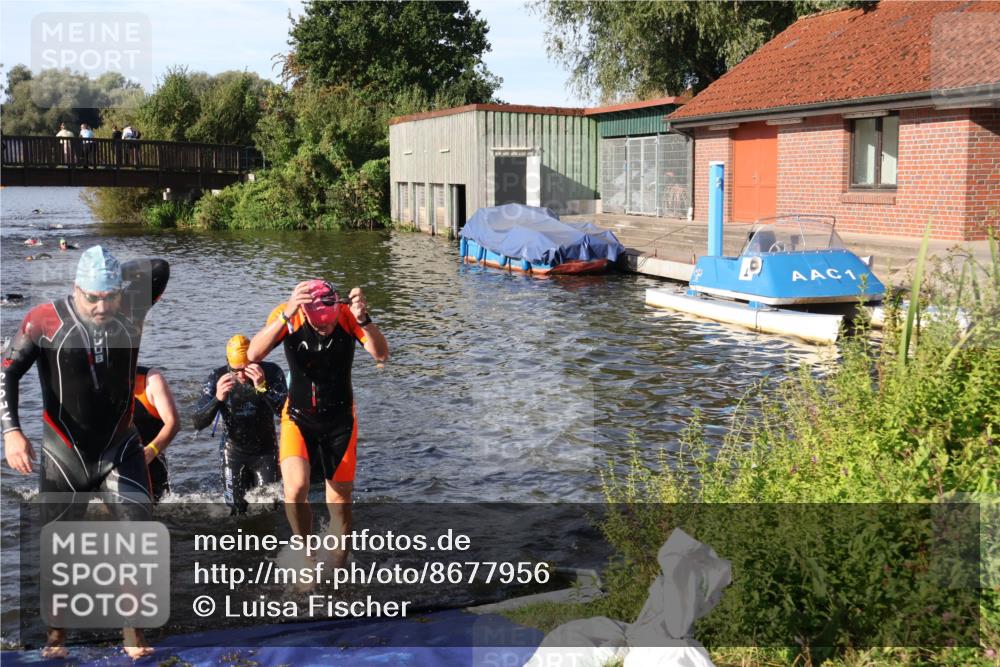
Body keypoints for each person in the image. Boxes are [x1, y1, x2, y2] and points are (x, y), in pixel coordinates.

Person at [1, 245, 169, 660]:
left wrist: (109, 269)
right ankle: (55, 639)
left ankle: (133, 634)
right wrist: (11, 432)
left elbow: (160, 266)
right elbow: (6, 374)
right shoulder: (43, 321)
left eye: (109, 295)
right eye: (92, 296)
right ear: (76, 289)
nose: (101, 306)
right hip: (65, 455)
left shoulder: (132, 307)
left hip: (121, 447)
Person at [248, 281, 387, 567]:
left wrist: (365, 319)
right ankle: (306, 555)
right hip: (299, 417)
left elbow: (381, 354)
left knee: (339, 502)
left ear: (337, 307)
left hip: (340, 420)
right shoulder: (289, 315)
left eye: (329, 323)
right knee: (295, 489)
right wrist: (285, 315)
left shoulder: (348, 316)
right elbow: (253, 354)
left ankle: (337, 568)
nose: (325, 329)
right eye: (319, 325)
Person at [192, 335, 287, 515]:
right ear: (228, 363)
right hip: (233, 452)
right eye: (236, 370)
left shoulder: (272, 372)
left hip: (265, 451)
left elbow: (285, 413)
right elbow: (197, 422)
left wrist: (263, 387)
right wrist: (217, 399)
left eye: (246, 368)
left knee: (269, 510)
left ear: (256, 360)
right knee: (235, 512)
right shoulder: (217, 377)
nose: (242, 375)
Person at [133, 366, 180, 502]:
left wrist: (151, 450)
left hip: (150, 465)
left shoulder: (152, 380)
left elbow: (173, 423)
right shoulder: (96, 381)